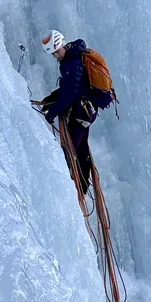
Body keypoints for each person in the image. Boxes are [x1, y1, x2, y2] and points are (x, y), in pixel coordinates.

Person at [39, 29, 97, 195]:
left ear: (62, 45)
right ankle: (83, 187)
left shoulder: (72, 62)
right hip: (85, 111)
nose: (56, 56)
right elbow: (71, 88)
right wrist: (54, 97)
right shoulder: (73, 57)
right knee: (80, 147)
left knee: (69, 148)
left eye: (57, 52)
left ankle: (74, 190)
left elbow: (71, 93)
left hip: (82, 112)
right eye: (54, 54)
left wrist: (53, 112)